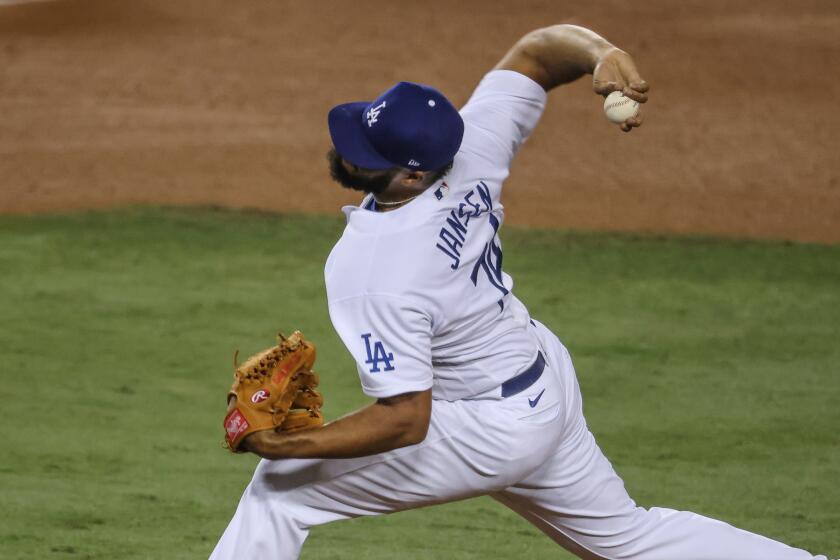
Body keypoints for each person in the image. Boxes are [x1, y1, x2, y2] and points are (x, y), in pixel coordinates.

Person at [210, 24, 830, 559]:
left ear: (412, 173)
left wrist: (281, 442)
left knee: (279, 489)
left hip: (489, 425)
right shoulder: (469, 146)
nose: (346, 154)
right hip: (539, 377)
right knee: (629, 541)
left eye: (367, 154)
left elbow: (405, 420)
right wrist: (602, 53)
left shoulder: (372, 269)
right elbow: (537, 53)